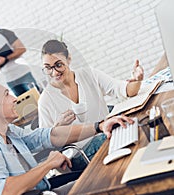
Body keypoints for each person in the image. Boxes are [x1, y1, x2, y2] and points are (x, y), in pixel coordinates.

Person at [0, 78, 134, 195]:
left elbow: (47, 136)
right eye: (7, 95)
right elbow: (3, 194)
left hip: (42, 189)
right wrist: (48, 164)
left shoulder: (8, 131)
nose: (15, 99)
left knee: (100, 176)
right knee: (104, 184)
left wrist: (99, 126)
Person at [37, 40, 144, 171]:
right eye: (48, 68)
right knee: (133, 135)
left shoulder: (89, 75)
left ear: (68, 59)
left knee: (138, 126)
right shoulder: (46, 101)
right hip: (79, 154)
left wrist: (137, 80)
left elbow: (125, 90)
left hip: (107, 132)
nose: (54, 72)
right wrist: (58, 128)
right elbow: (47, 145)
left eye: (59, 65)